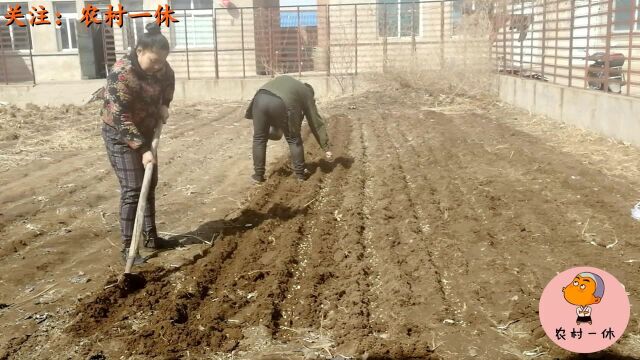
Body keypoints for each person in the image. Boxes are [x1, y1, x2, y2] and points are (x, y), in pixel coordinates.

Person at [100, 22, 175, 264]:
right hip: (120, 134)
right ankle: (127, 247)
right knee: (133, 188)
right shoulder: (122, 74)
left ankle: (151, 236)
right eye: (153, 60)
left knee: (150, 182)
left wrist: (165, 104)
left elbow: (169, 80)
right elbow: (120, 117)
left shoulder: (161, 68)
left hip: (146, 128)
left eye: (162, 61)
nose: (158, 66)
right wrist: (142, 149)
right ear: (139, 51)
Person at [245, 75, 333, 182]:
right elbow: (315, 121)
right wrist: (326, 146)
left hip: (259, 98)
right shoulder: (306, 93)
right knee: (293, 139)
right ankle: (300, 174)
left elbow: (273, 100)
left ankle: (258, 176)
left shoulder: (290, 83)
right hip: (280, 102)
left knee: (259, 138)